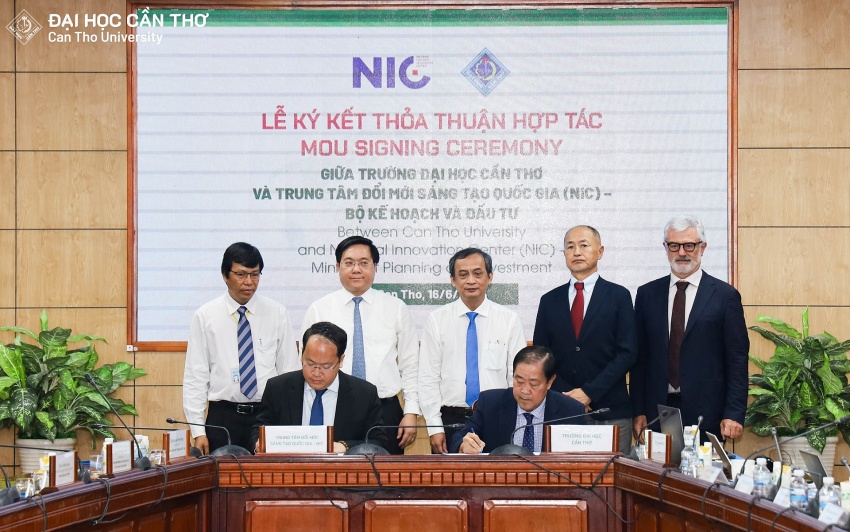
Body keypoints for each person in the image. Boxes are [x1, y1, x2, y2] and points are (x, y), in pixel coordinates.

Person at [630, 215, 749, 442]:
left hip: (708, 413)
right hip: (656, 411)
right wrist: (639, 410)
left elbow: (737, 360)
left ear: (702, 247)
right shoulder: (647, 295)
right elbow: (640, 360)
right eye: (674, 246)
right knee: (657, 466)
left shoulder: (725, 296)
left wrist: (733, 413)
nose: (682, 252)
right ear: (665, 248)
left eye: (689, 245)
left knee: (703, 467)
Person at [301, 236, 418, 454]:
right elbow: (305, 364)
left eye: (364, 263)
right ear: (338, 266)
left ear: (375, 267)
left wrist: (410, 411)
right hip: (332, 406)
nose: (356, 269)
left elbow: (410, 365)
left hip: (384, 408)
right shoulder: (319, 309)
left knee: (385, 473)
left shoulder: (396, 308)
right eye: (349, 263)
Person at [183, 242, 298, 455]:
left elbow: (289, 372)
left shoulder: (277, 313)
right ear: (225, 275)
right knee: (221, 474)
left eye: (255, 275)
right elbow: (196, 377)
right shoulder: (205, 316)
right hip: (222, 416)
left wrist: (288, 424)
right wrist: (198, 431)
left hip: (266, 414)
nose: (249, 282)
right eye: (241, 274)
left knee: (268, 475)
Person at [533, 226, 638, 455]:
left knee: (612, 476)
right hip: (561, 411)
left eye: (583, 245)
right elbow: (541, 357)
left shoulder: (619, 296)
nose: (577, 252)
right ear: (564, 254)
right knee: (562, 475)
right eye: (570, 247)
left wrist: (589, 392)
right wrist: (570, 398)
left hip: (610, 411)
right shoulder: (549, 300)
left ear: (600, 251)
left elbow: (627, 353)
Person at [419, 248, 527, 453]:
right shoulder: (437, 320)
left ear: (490, 277)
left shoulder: (509, 320)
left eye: (478, 274)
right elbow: (428, 377)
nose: (471, 280)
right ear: (452, 280)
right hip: (450, 419)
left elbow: (516, 376)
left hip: (497, 416)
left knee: (501, 471)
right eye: (463, 275)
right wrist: (434, 427)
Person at [250, 322, 388, 453]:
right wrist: (259, 443)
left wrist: (344, 446)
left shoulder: (364, 394)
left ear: (341, 360)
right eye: (310, 363)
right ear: (302, 355)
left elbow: (378, 442)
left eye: (326, 366)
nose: (316, 373)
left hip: (340, 468)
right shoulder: (278, 388)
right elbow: (259, 430)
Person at [450, 346, 586, 454]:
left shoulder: (571, 411)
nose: (525, 390)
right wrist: (463, 445)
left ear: (550, 382)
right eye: (519, 381)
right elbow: (459, 437)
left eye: (533, 384)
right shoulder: (490, 403)